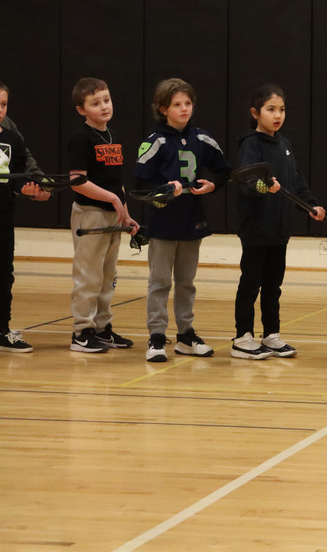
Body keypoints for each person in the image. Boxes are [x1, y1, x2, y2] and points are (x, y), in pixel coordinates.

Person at [134, 78, 232, 363]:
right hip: (163, 223)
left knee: (186, 282)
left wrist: (213, 185)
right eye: (177, 104)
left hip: (192, 221)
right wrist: (165, 190)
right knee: (160, 281)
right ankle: (156, 336)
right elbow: (140, 186)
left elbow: (224, 171)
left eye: (188, 103)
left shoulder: (202, 138)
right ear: (163, 109)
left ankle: (186, 335)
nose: (184, 109)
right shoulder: (155, 142)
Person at [232, 84, 325, 360]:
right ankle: (242, 336)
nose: (277, 115)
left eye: (281, 110)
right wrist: (265, 187)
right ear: (255, 113)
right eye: (270, 109)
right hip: (256, 228)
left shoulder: (284, 145)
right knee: (251, 283)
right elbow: (247, 180)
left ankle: (271, 334)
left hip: (279, 229)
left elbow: (296, 181)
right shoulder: (251, 144)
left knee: (273, 286)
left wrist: (311, 205)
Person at [68, 77, 140, 353]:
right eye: (95, 103)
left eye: (106, 100)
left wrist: (125, 214)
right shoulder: (81, 138)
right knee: (89, 276)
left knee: (108, 277)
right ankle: (82, 331)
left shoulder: (114, 136)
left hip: (112, 217)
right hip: (90, 216)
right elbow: (77, 181)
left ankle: (102, 327)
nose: (104, 106)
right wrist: (110, 198)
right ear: (81, 110)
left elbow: (116, 184)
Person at [0, 81, 51, 352]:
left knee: (4, 274)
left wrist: (31, 189)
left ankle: (2, 330)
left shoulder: (12, 137)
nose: (0, 110)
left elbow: (18, 175)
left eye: (3, 104)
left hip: (3, 218)